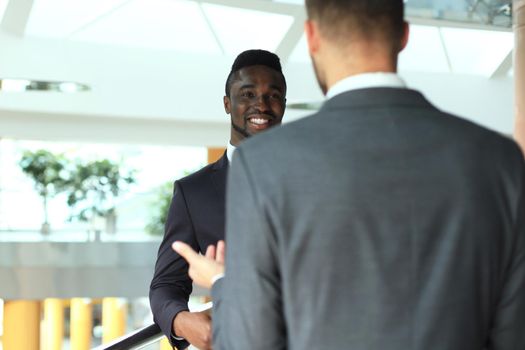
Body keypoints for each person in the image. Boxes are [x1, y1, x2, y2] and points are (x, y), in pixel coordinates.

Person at [174, 0, 525, 349]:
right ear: (403, 35)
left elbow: (252, 343)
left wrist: (222, 281)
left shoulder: (263, 164)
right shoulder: (500, 159)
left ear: (312, 37)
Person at [149, 49, 287, 350]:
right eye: (247, 94)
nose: (260, 105)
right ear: (228, 103)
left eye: (272, 95)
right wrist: (182, 321)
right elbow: (166, 284)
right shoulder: (193, 192)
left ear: (284, 104)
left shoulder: (314, 176)